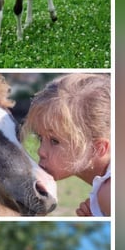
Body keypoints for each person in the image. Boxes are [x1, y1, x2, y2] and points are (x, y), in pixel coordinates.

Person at [23, 73, 111, 217]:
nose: (41, 151)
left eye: (54, 141)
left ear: (98, 149)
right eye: (40, 137)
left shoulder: (109, 193)